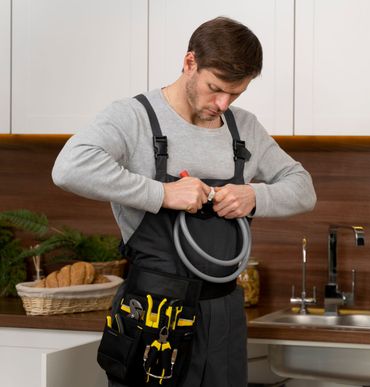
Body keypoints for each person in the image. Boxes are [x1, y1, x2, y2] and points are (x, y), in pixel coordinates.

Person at [52, 16, 316, 387]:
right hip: (154, 317)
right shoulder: (134, 117)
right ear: (190, 62)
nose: (223, 103)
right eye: (215, 88)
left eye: (235, 94)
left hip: (224, 314)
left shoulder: (244, 129)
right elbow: (69, 168)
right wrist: (162, 194)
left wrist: (253, 195)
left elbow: (303, 187)